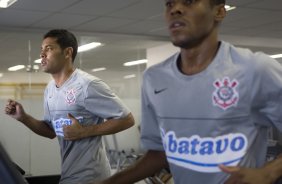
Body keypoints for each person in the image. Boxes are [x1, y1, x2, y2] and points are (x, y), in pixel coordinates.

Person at [96, 0, 282, 184]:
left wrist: (268, 173)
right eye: (169, 4)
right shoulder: (154, 78)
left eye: (189, 2)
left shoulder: (255, 69)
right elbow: (160, 153)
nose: (175, 9)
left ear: (219, 12)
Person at [4, 29, 135, 184]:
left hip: (92, 177)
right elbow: (50, 131)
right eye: (41, 49)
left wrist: (84, 132)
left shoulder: (88, 85)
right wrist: (23, 118)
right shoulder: (50, 89)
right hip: (68, 174)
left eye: (49, 48)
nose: (42, 54)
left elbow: (127, 119)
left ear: (67, 53)